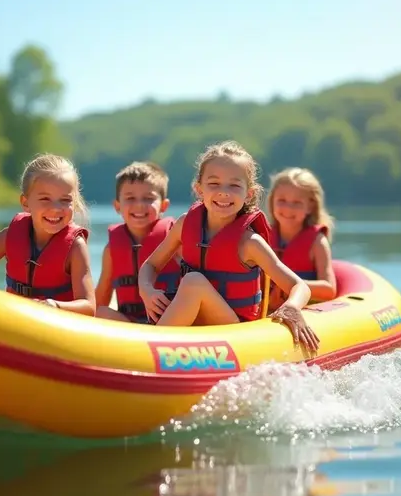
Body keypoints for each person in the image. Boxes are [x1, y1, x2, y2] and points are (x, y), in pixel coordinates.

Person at [137, 141, 321, 351]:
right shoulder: (185, 224)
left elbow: (300, 286)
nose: (223, 192)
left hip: (234, 332)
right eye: (214, 184)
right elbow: (151, 265)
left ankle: (151, 349)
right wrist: (147, 290)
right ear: (199, 189)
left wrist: (292, 306)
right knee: (192, 283)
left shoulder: (250, 243)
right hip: (194, 322)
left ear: (248, 194)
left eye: (234, 185)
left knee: (193, 281)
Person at [0, 153, 95, 316]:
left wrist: (52, 305)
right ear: (26, 203)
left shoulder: (76, 247)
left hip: (57, 328)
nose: (56, 208)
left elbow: (88, 307)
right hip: (15, 322)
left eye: (65, 200)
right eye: (45, 199)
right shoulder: (8, 237)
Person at [95, 162, 181, 323]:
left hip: (168, 320)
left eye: (148, 198)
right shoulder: (111, 249)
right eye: (130, 198)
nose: (139, 205)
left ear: (164, 206)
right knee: (100, 312)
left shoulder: (174, 240)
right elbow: (101, 298)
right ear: (117, 206)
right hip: (130, 324)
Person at [266, 167, 337, 309]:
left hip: (305, 311)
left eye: (297, 203)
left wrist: (290, 285)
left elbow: (329, 289)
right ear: (272, 200)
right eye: (282, 200)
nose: (288, 208)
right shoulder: (261, 236)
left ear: (310, 207)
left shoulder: (317, 242)